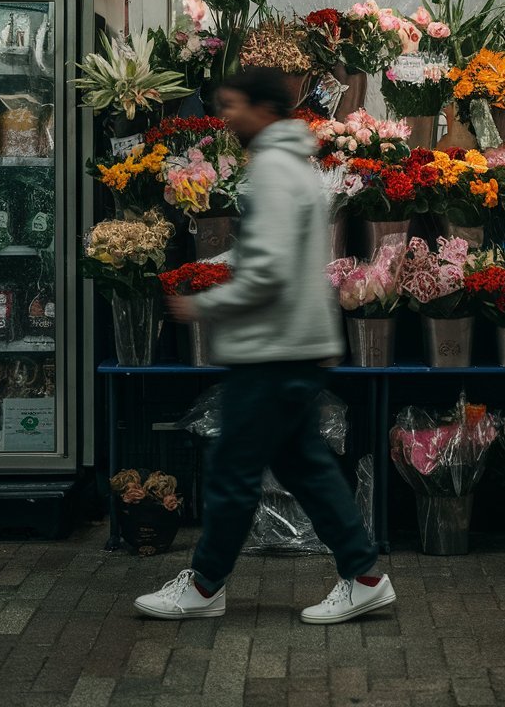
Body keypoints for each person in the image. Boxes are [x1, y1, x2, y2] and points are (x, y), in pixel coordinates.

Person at [134, 67, 396, 624]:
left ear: (262, 108)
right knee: (306, 468)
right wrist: (204, 269)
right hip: (290, 344)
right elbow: (267, 258)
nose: (227, 117)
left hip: (272, 347)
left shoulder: (275, 171)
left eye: (233, 106)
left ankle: (205, 586)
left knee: (233, 472)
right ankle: (364, 574)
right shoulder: (290, 164)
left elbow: (268, 273)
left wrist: (200, 303)